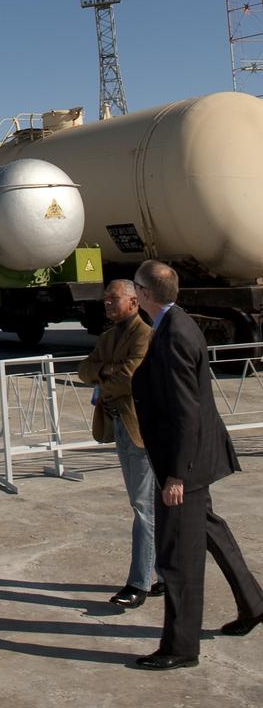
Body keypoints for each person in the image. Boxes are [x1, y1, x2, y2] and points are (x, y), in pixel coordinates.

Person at [131, 259, 263, 671]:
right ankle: (254, 603)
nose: (133, 294)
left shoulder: (174, 335)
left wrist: (177, 476)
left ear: (146, 295)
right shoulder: (175, 322)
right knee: (209, 530)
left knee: (179, 558)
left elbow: (187, 412)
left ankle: (181, 647)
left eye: (136, 287)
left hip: (185, 464)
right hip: (195, 458)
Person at [78, 279, 162, 608]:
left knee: (144, 507)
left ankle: (139, 583)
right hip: (120, 426)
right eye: (106, 300)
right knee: (145, 505)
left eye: (114, 299)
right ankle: (165, 574)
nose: (108, 305)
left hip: (141, 429)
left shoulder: (145, 334)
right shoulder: (109, 337)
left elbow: (130, 376)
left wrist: (106, 373)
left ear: (134, 302)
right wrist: (108, 373)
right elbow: (85, 371)